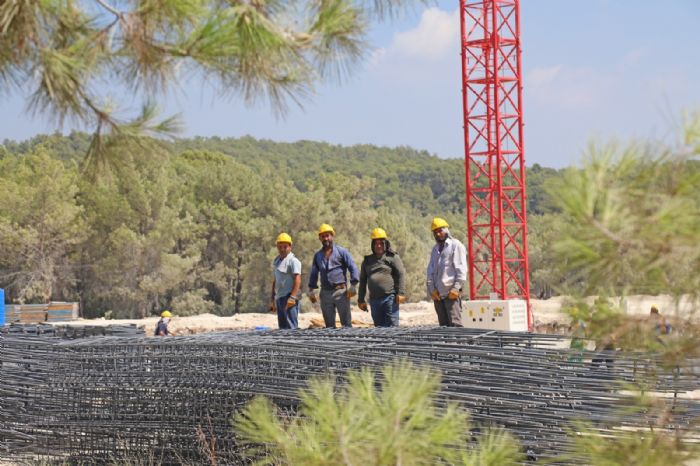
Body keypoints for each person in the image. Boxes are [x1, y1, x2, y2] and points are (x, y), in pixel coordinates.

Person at [307, 223, 359, 328]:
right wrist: (311, 290)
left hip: (341, 292)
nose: (325, 238)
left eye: (327, 235)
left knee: (346, 325)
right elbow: (314, 273)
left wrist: (353, 285)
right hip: (325, 294)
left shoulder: (342, 252)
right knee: (329, 327)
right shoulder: (317, 256)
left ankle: (348, 342)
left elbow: (353, 267)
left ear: (332, 236)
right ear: (319, 238)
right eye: (323, 236)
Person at [357, 228, 406, 327]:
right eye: (376, 243)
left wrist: (401, 293)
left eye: (381, 243)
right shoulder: (367, 261)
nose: (378, 245)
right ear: (372, 245)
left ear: (385, 244)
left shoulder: (392, 257)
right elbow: (362, 281)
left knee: (392, 328)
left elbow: (401, 273)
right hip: (374, 301)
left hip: (390, 299)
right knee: (379, 329)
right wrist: (361, 300)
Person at [426, 217, 467, 327]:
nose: (438, 234)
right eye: (435, 232)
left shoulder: (455, 245)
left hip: (451, 295)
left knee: (455, 326)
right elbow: (430, 272)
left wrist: (456, 288)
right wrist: (432, 290)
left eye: (440, 231)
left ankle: (459, 344)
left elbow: (461, 269)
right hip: (438, 296)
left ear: (446, 230)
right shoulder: (435, 249)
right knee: (443, 327)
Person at [270, 233, 302, 329]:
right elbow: (275, 280)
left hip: (289, 298)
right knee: (282, 328)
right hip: (280, 298)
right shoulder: (277, 262)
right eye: (280, 247)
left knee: (291, 327)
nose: (282, 249)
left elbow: (298, 279)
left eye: (285, 247)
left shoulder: (293, 261)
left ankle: (294, 344)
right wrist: (272, 299)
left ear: (290, 247)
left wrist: (292, 297)